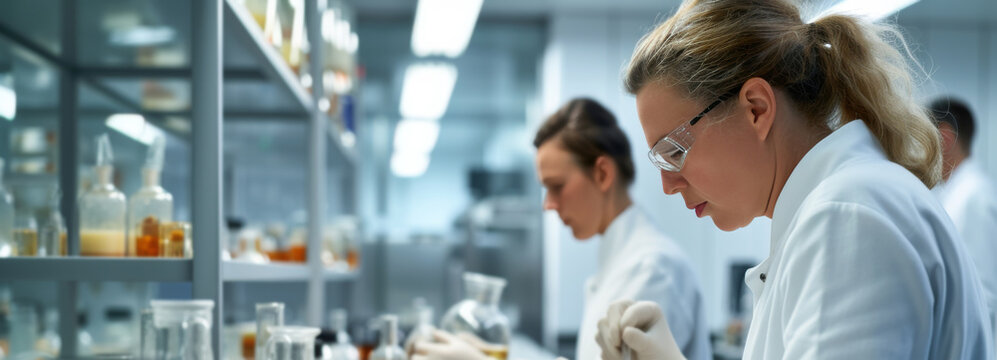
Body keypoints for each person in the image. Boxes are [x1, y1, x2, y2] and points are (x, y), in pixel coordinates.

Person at [594, 0, 994, 359]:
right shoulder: (842, 206)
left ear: (756, 108)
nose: (669, 185)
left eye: (675, 151)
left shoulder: (846, 217)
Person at [411, 98, 711, 360]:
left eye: (556, 186)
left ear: (602, 174)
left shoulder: (652, 269)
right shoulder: (622, 262)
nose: (548, 205)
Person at [929, 97, 997, 325]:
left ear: (944, 138)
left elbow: (984, 298)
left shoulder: (974, 197)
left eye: (922, 138)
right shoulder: (955, 193)